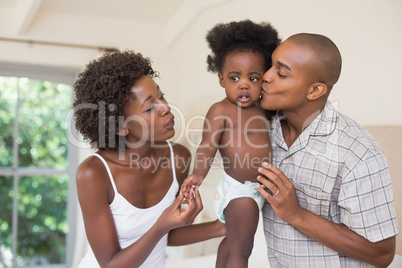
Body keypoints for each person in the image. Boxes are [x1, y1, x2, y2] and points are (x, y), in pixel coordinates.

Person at [257, 33, 398, 267]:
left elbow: (382, 254)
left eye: (281, 73)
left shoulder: (358, 152)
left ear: (314, 91)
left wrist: (296, 214)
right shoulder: (262, 131)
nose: (266, 76)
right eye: (270, 65)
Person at [73, 50, 226, 268]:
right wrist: (161, 225)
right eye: (150, 107)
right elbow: (110, 264)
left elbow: (168, 235)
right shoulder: (94, 173)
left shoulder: (179, 158)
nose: (166, 108)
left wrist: (220, 227)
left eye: (161, 96)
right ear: (119, 126)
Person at [181, 20, 280, 267]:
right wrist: (197, 174)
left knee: (232, 241)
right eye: (235, 77)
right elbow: (207, 145)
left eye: (253, 78)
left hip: (256, 190)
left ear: (264, 81)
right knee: (242, 249)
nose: (244, 84)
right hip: (239, 192)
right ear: (221, 80)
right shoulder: (221, 110)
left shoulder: (264, 110)